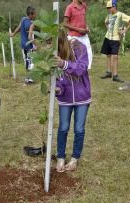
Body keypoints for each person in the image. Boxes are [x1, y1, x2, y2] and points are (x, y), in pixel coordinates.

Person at [53, 29, 91, 172]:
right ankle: (61, 157)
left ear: (62, 41)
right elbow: (57, 80)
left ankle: (75, 158)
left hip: (82, 97)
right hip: (65, 99)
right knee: (63, 128)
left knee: (79, 129)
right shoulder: (53, 55)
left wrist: (64, 64)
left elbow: (82, 68)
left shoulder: (79, 47)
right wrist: (57, 89)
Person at [100, 0, 130, 82]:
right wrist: (108, 28)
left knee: (115, 57)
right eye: (107, 8)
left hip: (116, 39)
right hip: (107, 37)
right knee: (108, 55)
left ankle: (115, 76)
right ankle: (108, 72)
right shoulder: (109, 15)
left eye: (109, 7)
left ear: (114, 6)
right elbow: (106, 22)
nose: (108, 9)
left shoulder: (120, 14)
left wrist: (124, 30)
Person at [10, 6, 37, 84]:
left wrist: (12, 34)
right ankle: (29, 79)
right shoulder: (32, 24)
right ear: (31, 15)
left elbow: (18, 29)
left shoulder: (23, 19)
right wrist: (36, 45)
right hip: (29, 45)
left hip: (23, 44)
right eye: (35, 14)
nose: (35, 15)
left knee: (27, 61)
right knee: (31, 62)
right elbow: (29, 37)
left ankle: (27, 78)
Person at [64, 0, 93, 70]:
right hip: (73, 36)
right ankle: (74, 73)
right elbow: (65, 23)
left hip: (84, 36)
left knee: (89, 54)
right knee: (73, 57)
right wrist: (78, 29)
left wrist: (87, 27)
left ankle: (85, 72)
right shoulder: (70, 7)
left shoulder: (84, 6)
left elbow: (84, 19)